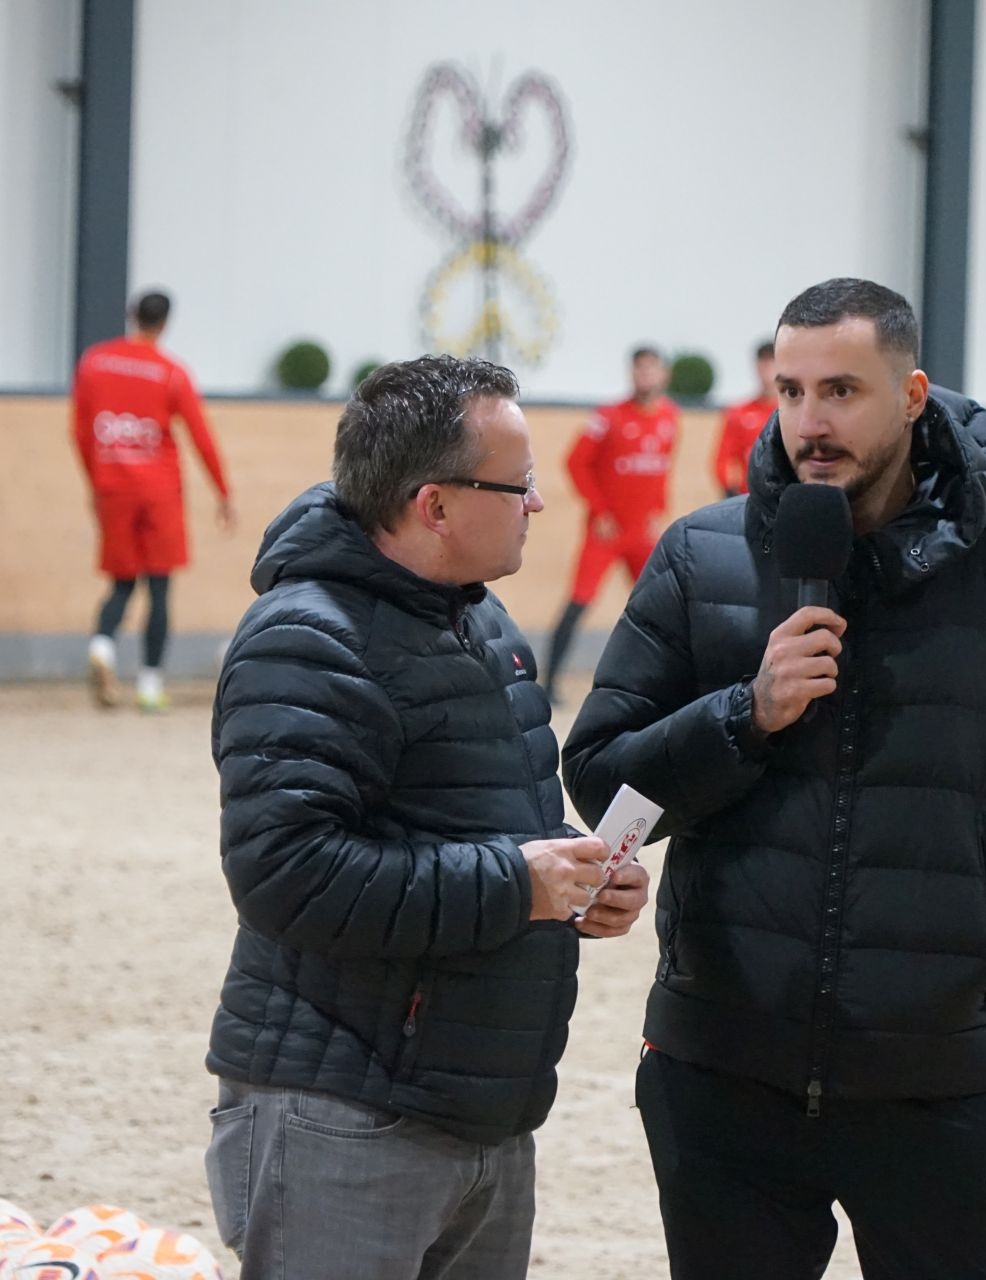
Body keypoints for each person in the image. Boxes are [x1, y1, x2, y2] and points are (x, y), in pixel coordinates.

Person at [563, 279, 986, 1280]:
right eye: (790, 392)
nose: (810, 421)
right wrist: (745, 714)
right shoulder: (702, 557)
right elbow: (603, 776)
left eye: (841, 390)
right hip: (720, 1075)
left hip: (939, 1078)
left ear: (913, 395)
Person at [202, 355, 650, 1280]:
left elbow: (483, 826)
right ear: (435, 504)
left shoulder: (483, 626)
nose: (536, 503)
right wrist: (518, 884)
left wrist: (575, 879)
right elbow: (287, 875)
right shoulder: (307, 637)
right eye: (518, 485)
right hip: (343, 1109)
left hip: (482, 1107)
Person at [72, 289, 234, 713]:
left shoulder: (94, 362)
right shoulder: (172, 373)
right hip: (159, 492)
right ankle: (149, 684)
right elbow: (200, 436)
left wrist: (95, 482)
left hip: (113, 486)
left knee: (122, 582)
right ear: (164, 323)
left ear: (132, 314)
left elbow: (80, 431)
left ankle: (102, 645)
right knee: (159, 588)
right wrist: (222, 491)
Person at [541, 346, 679, 694]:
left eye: (651, 368)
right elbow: (575, 462)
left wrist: (658, 509)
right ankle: (550, 683)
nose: (644, 375)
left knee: (661, 607)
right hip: (606, 533)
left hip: (642, 533)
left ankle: (665, 684)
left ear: (664, 375)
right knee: (579, 601)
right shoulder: (607, 416)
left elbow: (663, 468)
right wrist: (600, 512)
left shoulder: (669, 417)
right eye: (639, 368)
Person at [713, 340, 778, 498]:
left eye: (772, 360)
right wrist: (729, 491)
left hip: (784, 499)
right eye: (763, 361)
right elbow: (722, 459)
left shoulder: (793, 412)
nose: (767, 367)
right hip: (749, 497)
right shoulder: (739, 413)